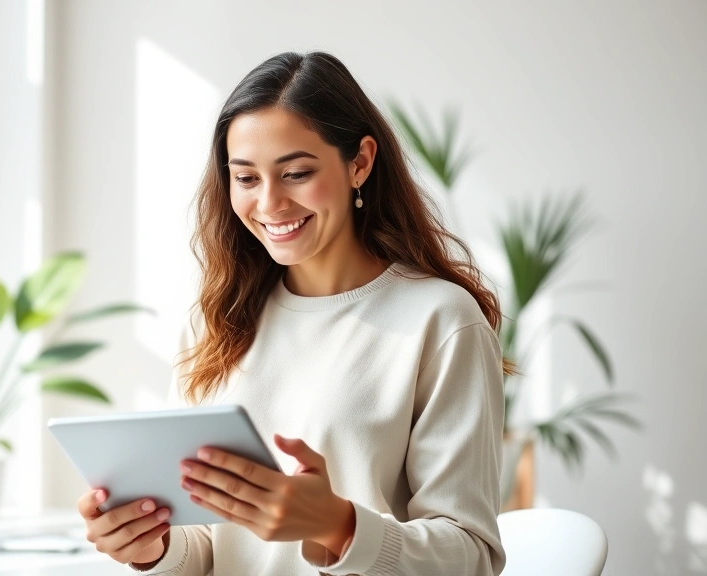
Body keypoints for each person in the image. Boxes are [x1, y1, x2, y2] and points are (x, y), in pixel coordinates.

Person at [77, 51, 510, 575]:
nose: (270, 204)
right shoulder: (218, 320)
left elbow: (472, 557)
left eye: (297, 173)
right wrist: (154, 548)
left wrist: (338, 526)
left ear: (360, 163)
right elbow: (211, 548)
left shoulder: (439, 321)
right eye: (247, 178)